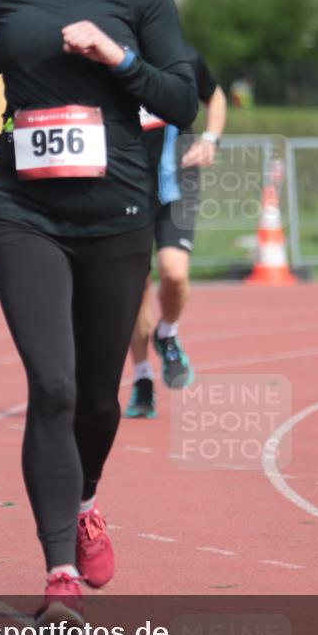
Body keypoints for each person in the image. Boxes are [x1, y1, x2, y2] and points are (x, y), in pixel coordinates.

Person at [0, 0, 197, 624]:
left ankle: (83, 500)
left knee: (96, 398)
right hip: (22, 208)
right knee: (49, 387)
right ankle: (56, 570)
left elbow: (181, 99)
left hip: (116, 212)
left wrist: (117, 56)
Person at [125, 48, 227, 417]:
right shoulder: (105, 57)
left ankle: (167, 333)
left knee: (173, 272)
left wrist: (210, 139)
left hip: (177, 182)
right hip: (124, 187)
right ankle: (141, 380)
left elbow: (214, 95)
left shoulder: (181, 57)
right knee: (134, 289)